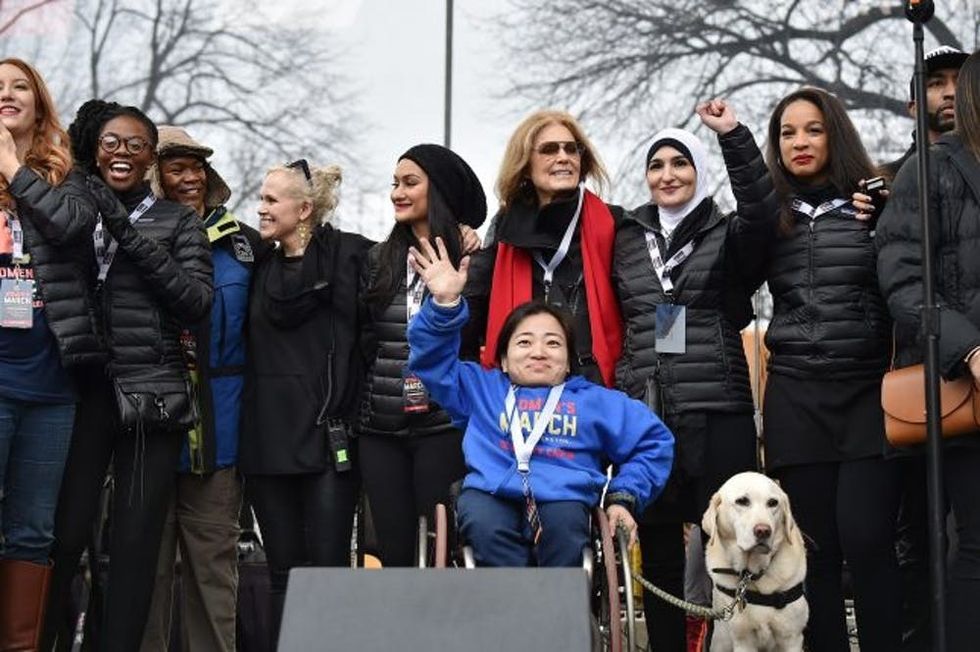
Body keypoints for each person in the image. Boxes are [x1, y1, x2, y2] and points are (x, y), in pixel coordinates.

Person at [43, 100, 213, 652]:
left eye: (136, 145)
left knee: (135, 545)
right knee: (66, 535)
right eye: (111, 143)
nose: (122, 153)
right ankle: (47, 639)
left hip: (152, 396)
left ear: (150, 160)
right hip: (85, 390)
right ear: (95, 149)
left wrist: (123, 227)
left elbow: (196, 302)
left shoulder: (179, 221)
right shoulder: (73, 208)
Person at [613, 102, 776, 650]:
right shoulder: (626, 235)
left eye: (680, 163)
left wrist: (733, 137)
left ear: (699, 172)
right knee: (656, 542)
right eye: (656, 165)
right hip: (648, 411)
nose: (667, 175)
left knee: (732, 541)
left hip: (717, 405)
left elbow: (761, 210)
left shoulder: (727, 232)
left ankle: (735, 643)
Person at [406, 236, 674, 566]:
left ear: (567, 359)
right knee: (482, 523)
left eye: (552, 343)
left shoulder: (595, 401)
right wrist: (445, 304)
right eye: (524, 342)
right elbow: (431, 363)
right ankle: (511, 612)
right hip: (492, 493)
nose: (538, 352)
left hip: (563, 497)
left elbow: (654, 440)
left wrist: (624, 495)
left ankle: (558, 611)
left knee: (565, 526)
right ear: (503, 359)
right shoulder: (481, 388)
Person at [747, 87, 901, 652]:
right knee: (816, 551)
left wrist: (886, 212)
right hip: (795, 396)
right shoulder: (770, 217)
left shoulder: (875, 201)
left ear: (835, 134)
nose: (800, 142)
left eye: (813, 129)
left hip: (867, 392)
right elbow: (736, 278)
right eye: (787, 133)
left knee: (868, 540)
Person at [140, 126, 268, 652]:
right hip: (146, 426)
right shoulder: (129, 236)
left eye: (196, 167)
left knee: (214, 569)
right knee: (146, 568)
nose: (190, 177)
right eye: (176, 167)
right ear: (154, 177)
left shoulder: (243, 245)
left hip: (220, 432)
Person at [239, 160, 372, 647]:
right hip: (266, 441)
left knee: (328, 573)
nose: (262, 208)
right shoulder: (255, 263)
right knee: (282, 575)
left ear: (305, 208)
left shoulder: (353, 256)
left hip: (328, 440)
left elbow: (409, 258)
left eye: (272, 200)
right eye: (262, 198)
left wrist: (464, 234)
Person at [876, 49, 980, 652]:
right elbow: (904, 281)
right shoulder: (928, 170)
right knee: (974, 542)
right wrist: (970, 354)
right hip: (968, 385)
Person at [0, 58, 101, 650]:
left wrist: (13, 166)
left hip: (51, 389)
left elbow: (67, 229)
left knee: (33, 533)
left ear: (39, 104)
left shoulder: (69, 180)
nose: (7, 95)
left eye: (20, 87)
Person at [358, 144, 486, 567]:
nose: (397, 192)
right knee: (393, 553)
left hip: (443, 427)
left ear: (441, 192)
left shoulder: (474, 262)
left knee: (440, 548)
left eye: (410, 182)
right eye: (394, 183)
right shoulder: (376, 259)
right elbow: (365, 342)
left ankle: (446, 634)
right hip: (381, 429)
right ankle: (400, 634)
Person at [465, 110, 623, 387]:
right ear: (525, 164)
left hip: (596, 392)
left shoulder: (614, 223)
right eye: (549, 150)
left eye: (572, 149)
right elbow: (470, 317)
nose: (563, 157)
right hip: (522, 396)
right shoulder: (504, 229)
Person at [882, 46, 969, 178]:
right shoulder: (889, 179)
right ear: (914, 108)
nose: (951, 93)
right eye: (937, 83)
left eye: (961, 83)